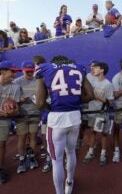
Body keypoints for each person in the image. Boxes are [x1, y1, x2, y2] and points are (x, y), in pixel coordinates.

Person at [35, 55, 94, 194]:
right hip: (74, 117)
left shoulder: (45, 69)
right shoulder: (79, 68)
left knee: (56, 160)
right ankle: (70, 181)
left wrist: (52, 108)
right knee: (71, 151)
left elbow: (39, 103)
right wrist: (73, 103)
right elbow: (90, 95)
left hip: (57, 119)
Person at [83, 62, 114, 166]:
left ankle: (103, 154)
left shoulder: (108, 84)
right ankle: (90, 152)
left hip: (102, 113)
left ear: (102, 70)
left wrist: (97, 97)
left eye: (96, 68)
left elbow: (110, 101)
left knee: (104, 134)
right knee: (93, 132)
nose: (93, 69)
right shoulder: (92, 82)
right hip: (92, 112)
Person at [14, 61, 41, 174]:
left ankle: (31, 157)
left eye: (31, 71)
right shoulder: (16, 82)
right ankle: (21, 159)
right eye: (27, 71)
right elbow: (11, 100)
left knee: (33, 137)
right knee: (22, 138)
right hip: (21, 115)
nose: (30, 73)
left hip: (35, 113)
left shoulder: (39, 81)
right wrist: (20, 100)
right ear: (23, 70)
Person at [0, 61, 21, 184]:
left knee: (1, 144)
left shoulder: (16, 87)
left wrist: (11, 113)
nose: (14, 74)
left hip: (4, 121)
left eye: (15, 72)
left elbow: (17, 109)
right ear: (2, 72)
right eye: (11, 71)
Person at [33, 55, 52, 172]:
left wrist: (42, 104)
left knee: (55, 138)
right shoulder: (37, 78)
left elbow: (42, 101)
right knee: (45, 137)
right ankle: (49, 158)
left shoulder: (47, 77)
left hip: (53, 113)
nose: (35, 67)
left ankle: (58, 158)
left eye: (36, 64)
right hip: (45, 114)